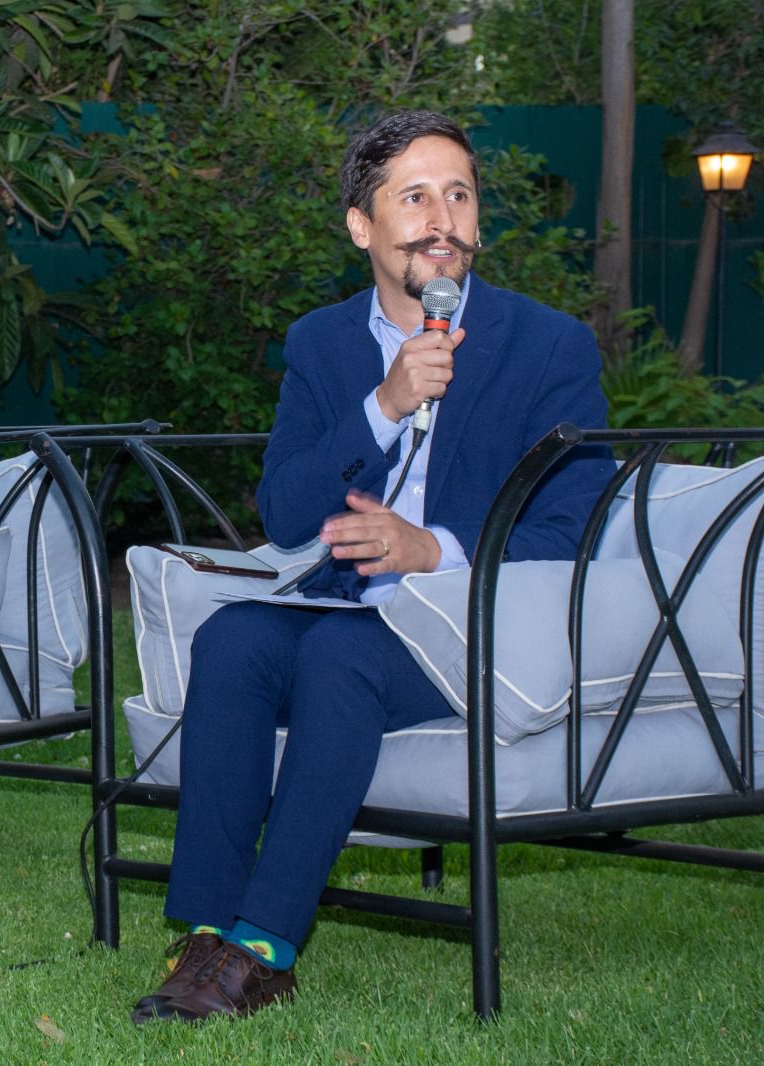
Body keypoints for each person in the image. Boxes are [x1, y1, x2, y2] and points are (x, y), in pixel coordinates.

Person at [131, 111, 615, 1022]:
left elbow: (572, 523)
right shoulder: (323, 344)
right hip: (351, 604)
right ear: (362, 225)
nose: (445, 219)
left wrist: (429, 549)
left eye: (461, 195)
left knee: (337, 661)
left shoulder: (548, 346)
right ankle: (203, 933)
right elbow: (283, 512)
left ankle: (263, 947)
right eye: (417, 196)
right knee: (235, 637)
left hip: (475, 621)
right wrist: (384, 406)